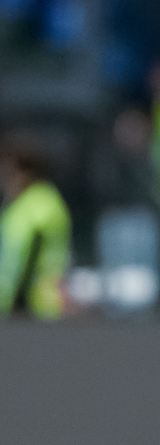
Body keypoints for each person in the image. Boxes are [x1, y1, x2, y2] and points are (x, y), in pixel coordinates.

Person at [0, 133, 71, 320]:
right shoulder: (20, 204)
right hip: (17, 308)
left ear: (23, 171)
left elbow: (29, 260)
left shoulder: (41, 206)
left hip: (34, 310)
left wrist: (17, 303)